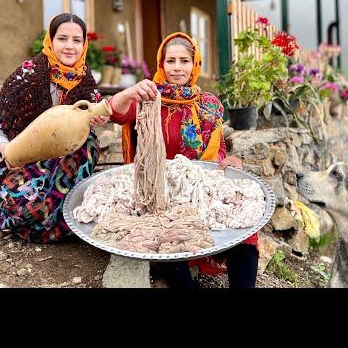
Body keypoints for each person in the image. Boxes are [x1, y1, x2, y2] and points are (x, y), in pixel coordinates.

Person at [109, 32, 259, 288]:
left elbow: (217, 148)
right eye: (170, 61)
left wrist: (226, 161)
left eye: (184, 61)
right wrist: (130, 92)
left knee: (247, 230)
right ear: (161, 64)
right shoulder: (147, 97)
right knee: (170, 233)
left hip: (196, 186)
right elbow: (115, 113)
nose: (177, 68)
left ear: (194, 64)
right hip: (158, 192)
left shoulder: (209, 104)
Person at [0, 13, 109, 242]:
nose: (70, 46)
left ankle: (63, 221)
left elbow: (90, 115)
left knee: (89, 142)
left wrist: (92, 121)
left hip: (59, 162)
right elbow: (0, 128)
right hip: (22, 161)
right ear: (51, 40)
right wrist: (7, 150)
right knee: (20, 202)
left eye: (77, 40)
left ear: (84, 45)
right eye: (63, 38)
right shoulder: (28, 75)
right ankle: (40, 220)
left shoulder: (84, 80)